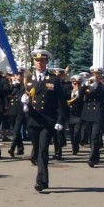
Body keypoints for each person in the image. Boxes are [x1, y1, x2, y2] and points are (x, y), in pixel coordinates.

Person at [21, 49, 65, 192]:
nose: (39, 63)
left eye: (42, 60)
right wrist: (25, 104)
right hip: (33, 120)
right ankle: (42, 178)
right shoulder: (28, 79)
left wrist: (60, 119)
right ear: (34, 62)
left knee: (42, 150)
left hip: (48, 120)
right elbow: (27, 98)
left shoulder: (53, 79)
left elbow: (61, 102)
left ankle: (42, 181)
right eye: (37, 60)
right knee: (36, 148)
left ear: (46, 62)